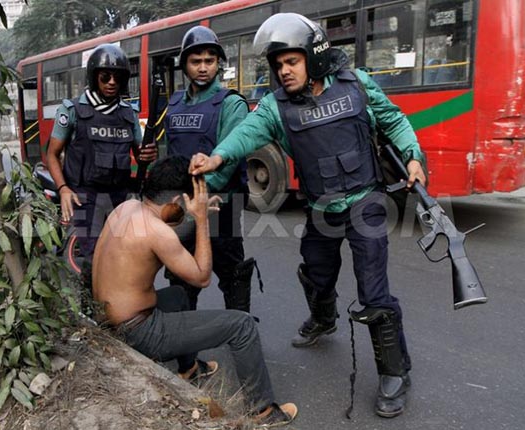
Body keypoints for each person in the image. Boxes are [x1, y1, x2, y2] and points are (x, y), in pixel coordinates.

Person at [189, 13, 428, 418]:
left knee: (374, 293)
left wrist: (413, 157)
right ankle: (323, 317)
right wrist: (218, 156)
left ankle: (394, 373)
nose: (284, 71)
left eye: (292, 62)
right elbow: (246, 132)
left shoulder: (356, 85)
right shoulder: (275, 106)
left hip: (365, 201)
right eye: (278, 64)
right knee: (316, 274)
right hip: (321, 207)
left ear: (313, 58)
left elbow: (393, 120)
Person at [91, 155, 298, 427]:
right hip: (139, 332)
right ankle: (263, 412)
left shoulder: (126, 207)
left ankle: (189, 369)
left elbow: (165, 232)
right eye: (186, 204)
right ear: (177, 201)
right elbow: (202, 277)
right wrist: (201, 220)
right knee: (242, 325)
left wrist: (193, 214)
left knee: (178, 294)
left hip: (109, 321)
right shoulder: (158, 232)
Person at [46, 43, 158, 307]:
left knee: (125, 254)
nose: (111, 82)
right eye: (105, 76)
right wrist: (63, 189)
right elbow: (51, 154)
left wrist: (148, 154)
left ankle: (122, 309)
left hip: (120, 196)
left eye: (118, 77)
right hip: (85, 196)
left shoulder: (128, 114)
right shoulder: (72, 111)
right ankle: (91, 311)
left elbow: (140, 152)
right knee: (93, 258)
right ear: (94, 76)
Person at [164, 26, 256, 313]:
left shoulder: (231, 104)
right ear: (185, 65)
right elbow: (171, 155)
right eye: (196, 61)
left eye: (210, 61)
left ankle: (240, 328)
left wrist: (196, 200)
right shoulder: (174, 103)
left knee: (232, 274)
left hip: (221, 206)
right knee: (180, 277)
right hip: (183, 206)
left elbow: (227, 162)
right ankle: (183, 336)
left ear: (218, 64)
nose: (203, 68)